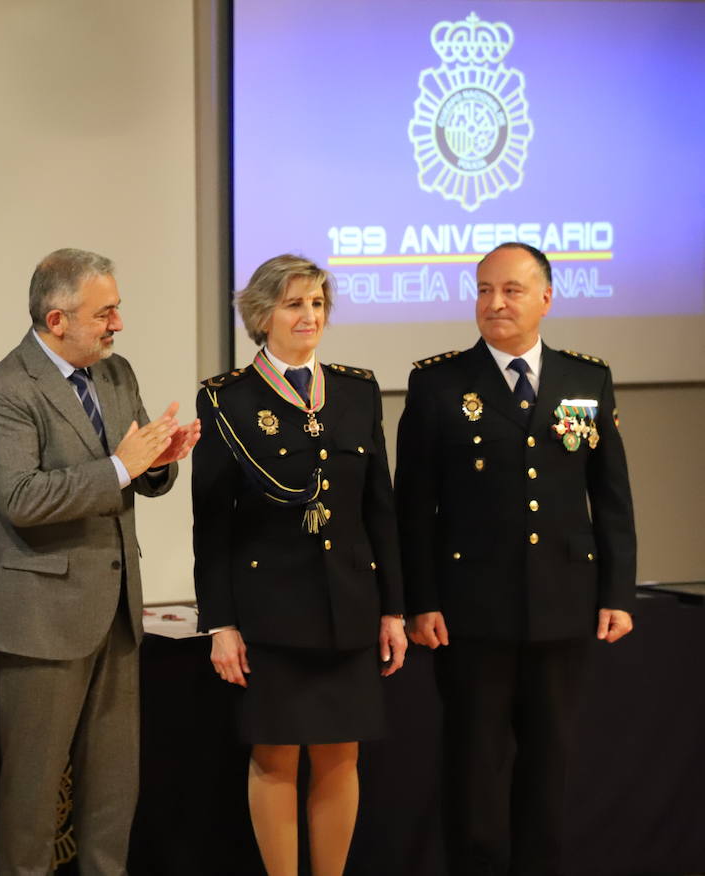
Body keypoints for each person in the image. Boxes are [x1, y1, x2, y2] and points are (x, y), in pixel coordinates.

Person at [395, 241, 636, 876]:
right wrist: (420, 600)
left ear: (546, 299)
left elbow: (610, 497)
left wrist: (617, 592)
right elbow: (413, 506)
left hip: (564, 606)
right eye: (482, 290)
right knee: (474, 769)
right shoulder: (438, 381)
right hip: (471, 613)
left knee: (549, 767)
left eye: (510, 290)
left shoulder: (587, 378)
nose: (493, 303)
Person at [0, 247, 199, 876]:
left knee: (114, 791)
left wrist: (162, 460)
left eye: (117, 310)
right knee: (34, 795)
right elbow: (21, 498)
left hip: (117, 614)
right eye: (106, 313)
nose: (117, 324)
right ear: (57, 318)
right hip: (40, 622)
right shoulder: (5, 390)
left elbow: (137, 476)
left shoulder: (117, 375)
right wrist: (124, 465)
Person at [192, 253, 406, 876]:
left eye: (316, 303)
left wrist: (392, 607)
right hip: (270, 613)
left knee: (341, 756)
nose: (308, 315)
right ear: (262, 315)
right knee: (276, 757)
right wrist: (220, 622)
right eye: (294, 304)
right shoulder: (227, 400)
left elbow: (379, 508)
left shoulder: (356, 390)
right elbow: (213, 523)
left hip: (350, 606)